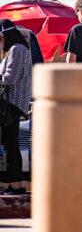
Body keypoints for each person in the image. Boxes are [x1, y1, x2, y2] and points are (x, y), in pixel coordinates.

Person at [0, 20, 32, 195]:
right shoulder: (16, 50)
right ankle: (15, 184)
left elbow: (10, 78)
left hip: (12, 103)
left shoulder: (17, 49)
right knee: (10, 143)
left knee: (9, 144)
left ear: (5, 35)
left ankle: (16, 183)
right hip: (12, 103)